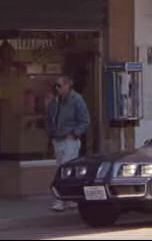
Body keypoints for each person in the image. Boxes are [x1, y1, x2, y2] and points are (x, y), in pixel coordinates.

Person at [45, 74, 90, 212]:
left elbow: (85, 120)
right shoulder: (56, 101)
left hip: (69, 140)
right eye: (56, 86)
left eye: (59, 85)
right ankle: (71, 199)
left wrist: (75, 134)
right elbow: (49, 118)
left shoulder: (76, 99)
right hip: (58, 140)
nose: (57, 88)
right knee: (65, 170)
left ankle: (60, 200)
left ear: (67, 85)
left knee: (63, 170)